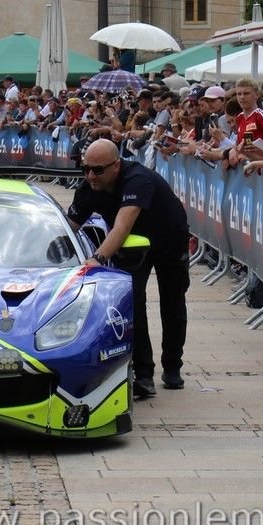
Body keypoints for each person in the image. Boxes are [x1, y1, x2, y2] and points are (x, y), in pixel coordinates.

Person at [66, 139, 190, 398]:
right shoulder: (89, 186)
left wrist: (97, 258)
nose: (91, 175)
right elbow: (69, 227)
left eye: (98, 170)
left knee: (172, 300)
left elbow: (122, 226)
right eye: (86, 168)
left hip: (169, 236)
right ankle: (143, 375)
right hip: (133, 247)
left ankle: (172, 365)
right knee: (133, 303)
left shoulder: (137, 179)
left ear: (116, 165)